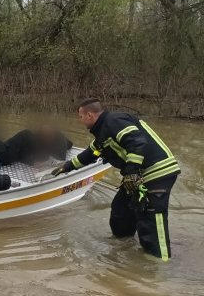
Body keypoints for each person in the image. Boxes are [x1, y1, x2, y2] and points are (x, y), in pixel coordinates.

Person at [52, 98, 181, 260]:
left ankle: (159, 266)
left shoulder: (114, 121)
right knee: (121, 211)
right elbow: (90, 154)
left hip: (157, 173)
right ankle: (125, 247)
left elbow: (137, 142)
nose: (80, 120)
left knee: (151, 221)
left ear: (89, 115)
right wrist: (67, 167)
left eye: (80, 117)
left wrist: (131, 172)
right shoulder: (103, 132)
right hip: (138, 177)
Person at [0, 99, 72, 165]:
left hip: (1, 152)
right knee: (26, 135)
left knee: (28, 138)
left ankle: (61, 146)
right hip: (2, 156)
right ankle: (48, 155)